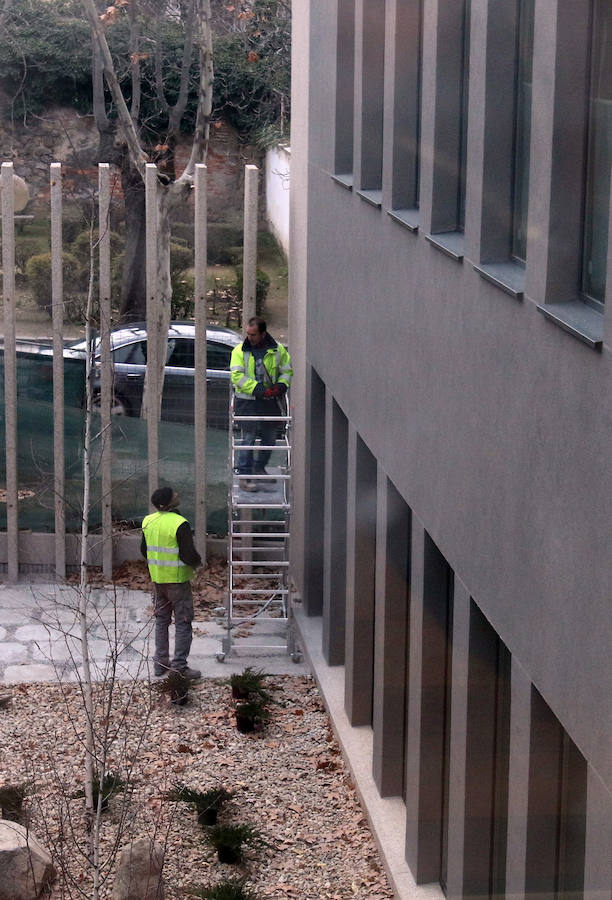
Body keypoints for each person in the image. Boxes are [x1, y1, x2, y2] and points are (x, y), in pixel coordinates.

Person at [141, 486, 202, 679]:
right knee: (183, 622)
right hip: (178, 582)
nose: (178, 494)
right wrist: (199, 566)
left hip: (158, 580)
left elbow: (144, 550)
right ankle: (179, 667)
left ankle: (160, 664)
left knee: (161, 620)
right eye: (174, 494)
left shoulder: (148, 521)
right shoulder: (179, 523)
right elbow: (187, 554)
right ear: (167, 503)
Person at [230, 316, 292, 491]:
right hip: (247, 402)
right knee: (248, 438)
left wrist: (280, 386)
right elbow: (236, 376)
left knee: (270, 437)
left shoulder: (278, 350)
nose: (250, 338)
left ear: (263, 334)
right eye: (248, 334)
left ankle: (259, 468)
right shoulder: (239, 352)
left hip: (269, 402)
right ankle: (245, 476)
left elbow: (287, 371)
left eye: (254, 334)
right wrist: (259, 389)